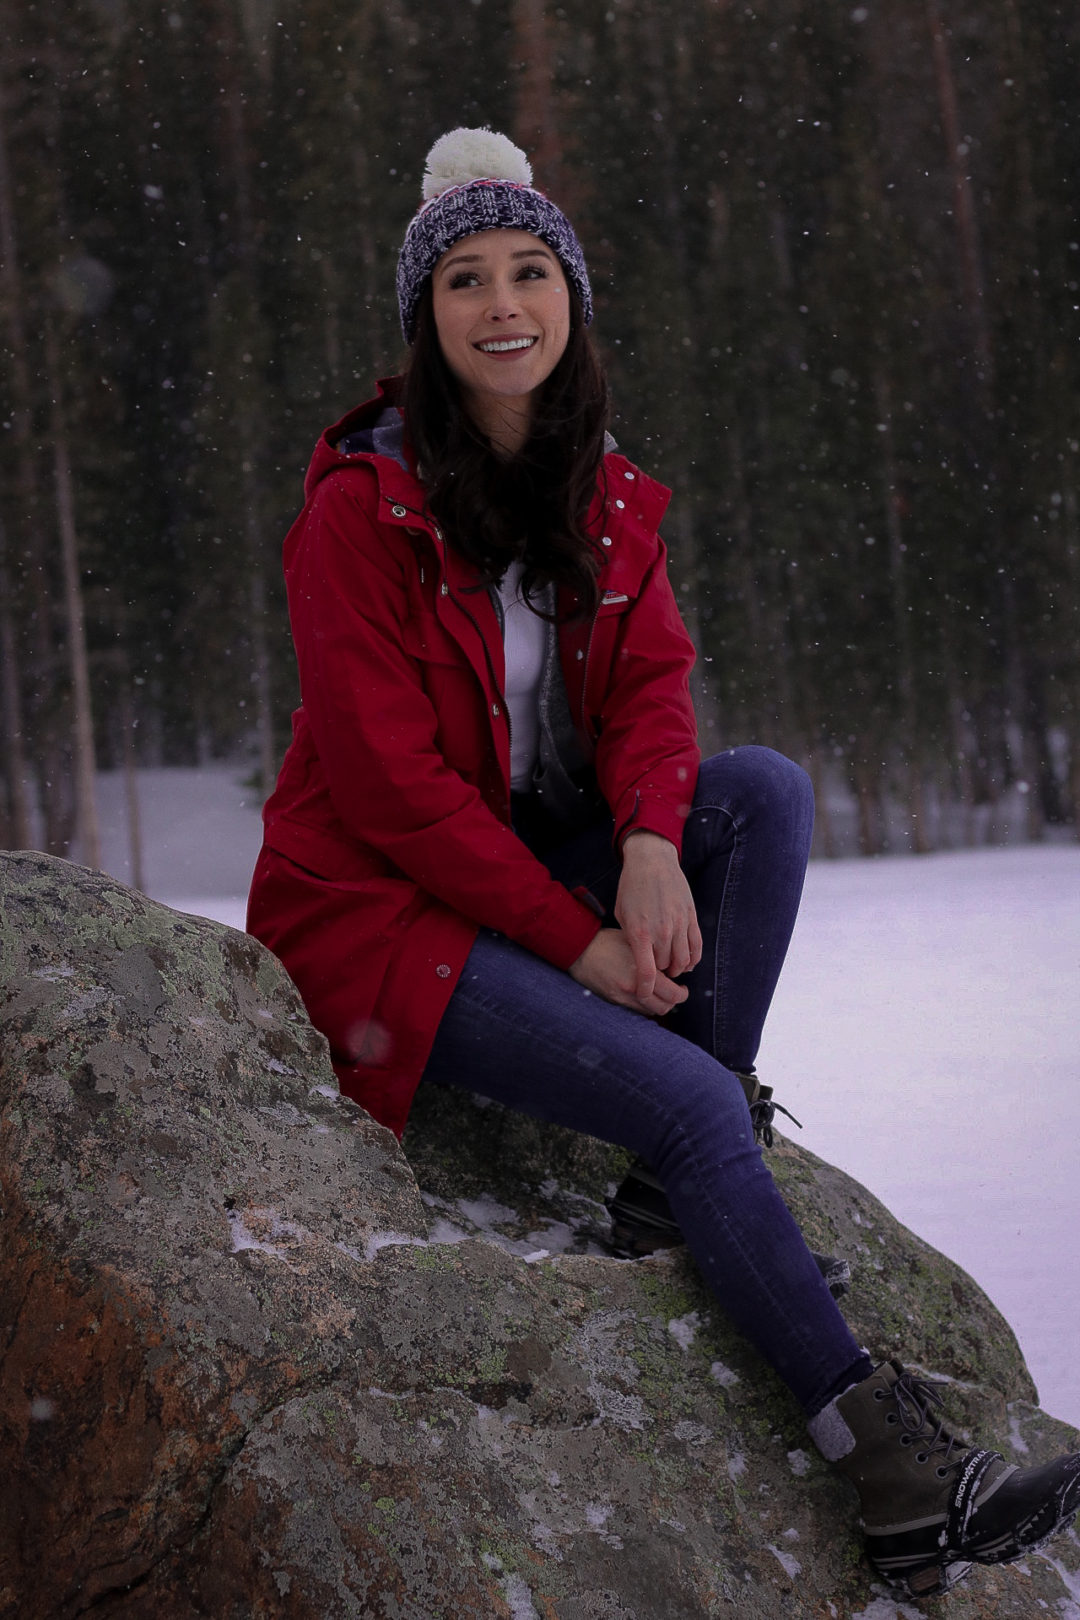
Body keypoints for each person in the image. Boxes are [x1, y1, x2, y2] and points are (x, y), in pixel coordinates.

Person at [246, 126, 1080, 1599]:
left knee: (759, 795)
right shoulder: (358, 513)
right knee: (698, 1101)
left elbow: (651, 688)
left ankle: (663, 1177)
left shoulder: (605, 490)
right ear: (425, 323)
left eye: (528, 271)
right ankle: (887, 1464)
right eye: (464, 281)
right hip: (385, 916)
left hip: (528, 865)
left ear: (567, 295)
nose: (504, 306)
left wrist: (643, 841)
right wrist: (578, 949)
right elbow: (388, 790)